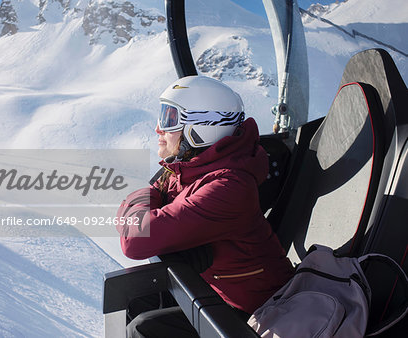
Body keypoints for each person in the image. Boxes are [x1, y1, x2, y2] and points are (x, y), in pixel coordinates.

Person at [116, 75, 294, 337]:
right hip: (219, 294)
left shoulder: (227, 187)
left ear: (202, 127)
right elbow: (138, 212)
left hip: (258, 313)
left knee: (146, 330)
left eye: (169, 119)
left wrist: (143, 202)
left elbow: (135, 239)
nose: (158, 129)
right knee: (135, 300)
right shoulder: (191, 171)